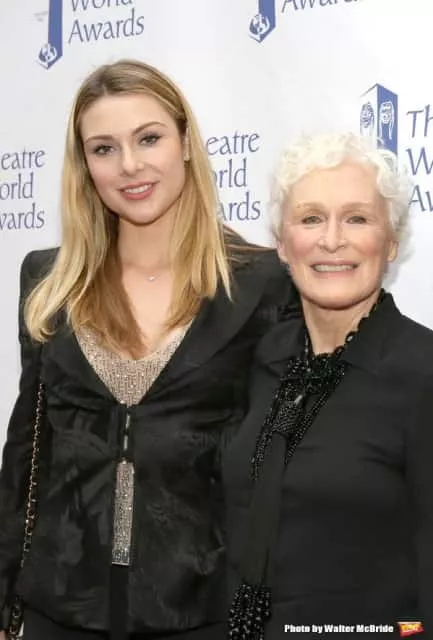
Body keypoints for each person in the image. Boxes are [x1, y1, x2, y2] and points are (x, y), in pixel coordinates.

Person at [0, 59, 293, 640]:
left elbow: (277, 464)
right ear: (85, 165)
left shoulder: (262, 283)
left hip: (201, 608)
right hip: (61, 607)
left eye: (149, 138)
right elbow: (28, 453)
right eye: (103, 149)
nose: (129, 165)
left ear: (185, 142)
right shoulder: (49, 281)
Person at [223, 133, 433, 639]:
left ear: (391, 241)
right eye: (311, 218)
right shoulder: (262, 358)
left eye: (357, 218)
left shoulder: (423, 373)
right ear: (282, 243)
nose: (332, 240)